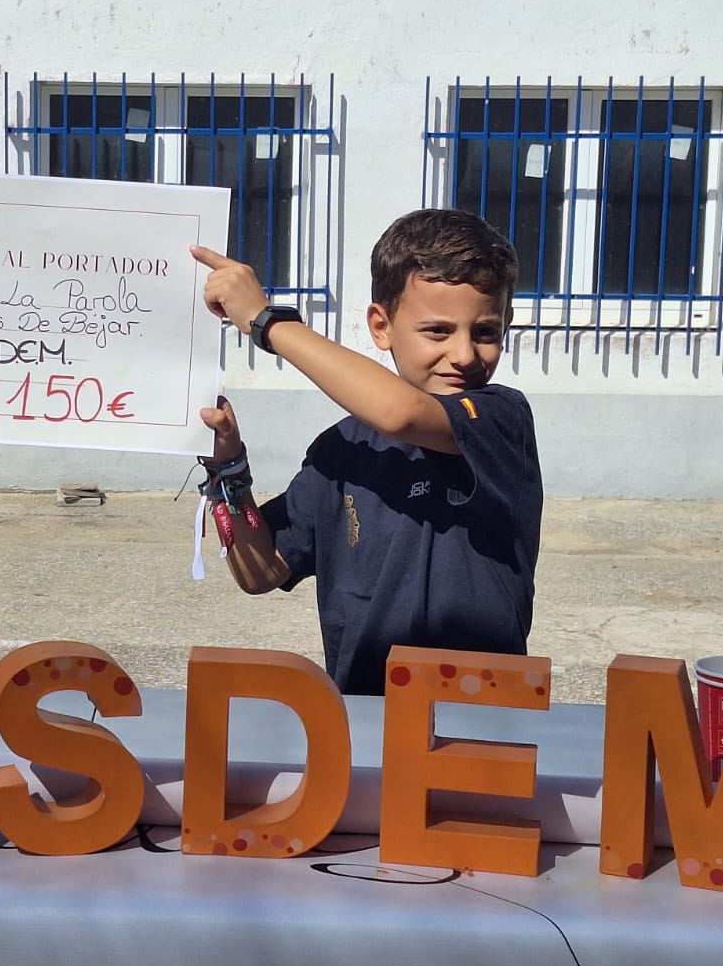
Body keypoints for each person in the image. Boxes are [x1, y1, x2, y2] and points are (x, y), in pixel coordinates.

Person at [189, 209, 541, 695]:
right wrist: (227, 468)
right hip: (365, 720)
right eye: (438, 331)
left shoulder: (502, 419)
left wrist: (268, 322)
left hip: (485, 720)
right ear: (381, 325)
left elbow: (400, 412)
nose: (464, 354)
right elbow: (261, 570)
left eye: (485, 332)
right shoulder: (342, 448)